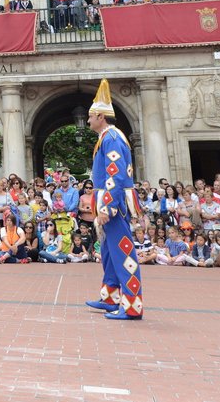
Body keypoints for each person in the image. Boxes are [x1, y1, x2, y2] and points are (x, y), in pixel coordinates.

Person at [83, 79, 143, 320]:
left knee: (122, 252)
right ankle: (110, 298)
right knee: (108, 251)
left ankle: (131, 307)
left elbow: (115, 174)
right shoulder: (107, 137)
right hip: (108, 202)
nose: (88, 121)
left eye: (90, 116)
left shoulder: (112, 138)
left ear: (100, 116)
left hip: (113, 204)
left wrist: (107, 206)